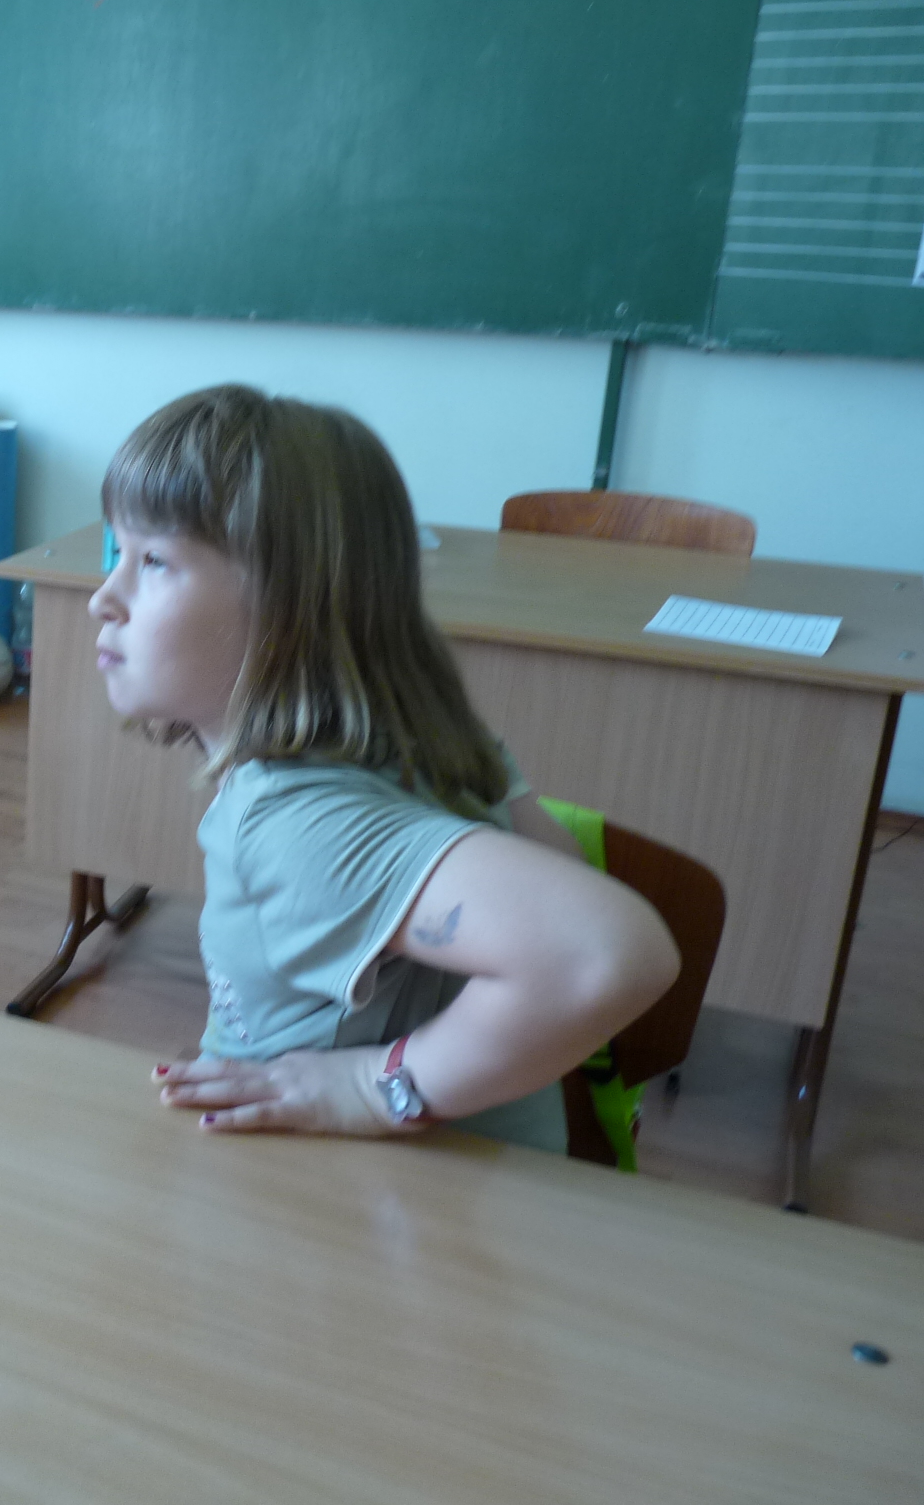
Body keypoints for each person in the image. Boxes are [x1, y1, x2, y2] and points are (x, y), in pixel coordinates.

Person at [89, 385, 678, 1150]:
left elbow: (605, 955)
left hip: (374, 1202)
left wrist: (373, 1086)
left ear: (288, 604)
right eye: (117, 553)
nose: (105, 598)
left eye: (154, 560)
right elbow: (559, 862)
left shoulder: (296, 821)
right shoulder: (424, 736)